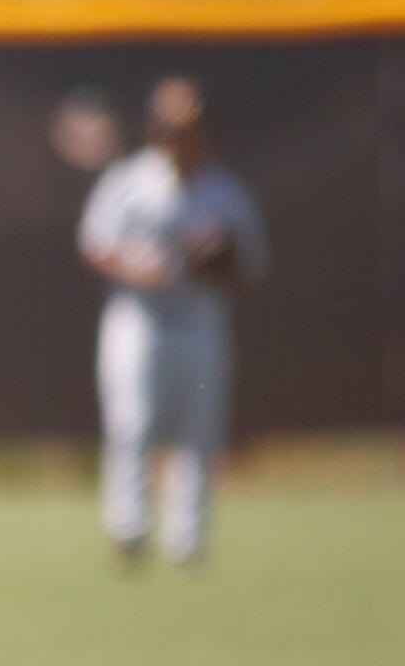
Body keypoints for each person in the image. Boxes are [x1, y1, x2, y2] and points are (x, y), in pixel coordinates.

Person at [77, 76, 270, 569]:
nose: (179, 135)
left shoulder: (225, 193)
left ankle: (188, 541)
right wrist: (138, 270)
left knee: (199, 433)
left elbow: (250, 271)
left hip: (200, 320)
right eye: (169, 125)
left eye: (189, 126)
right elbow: (94, 243)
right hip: (137, 320)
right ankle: (130, 531)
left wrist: (221, 268)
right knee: (132, 424)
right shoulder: (130, 181)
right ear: (155, 129)